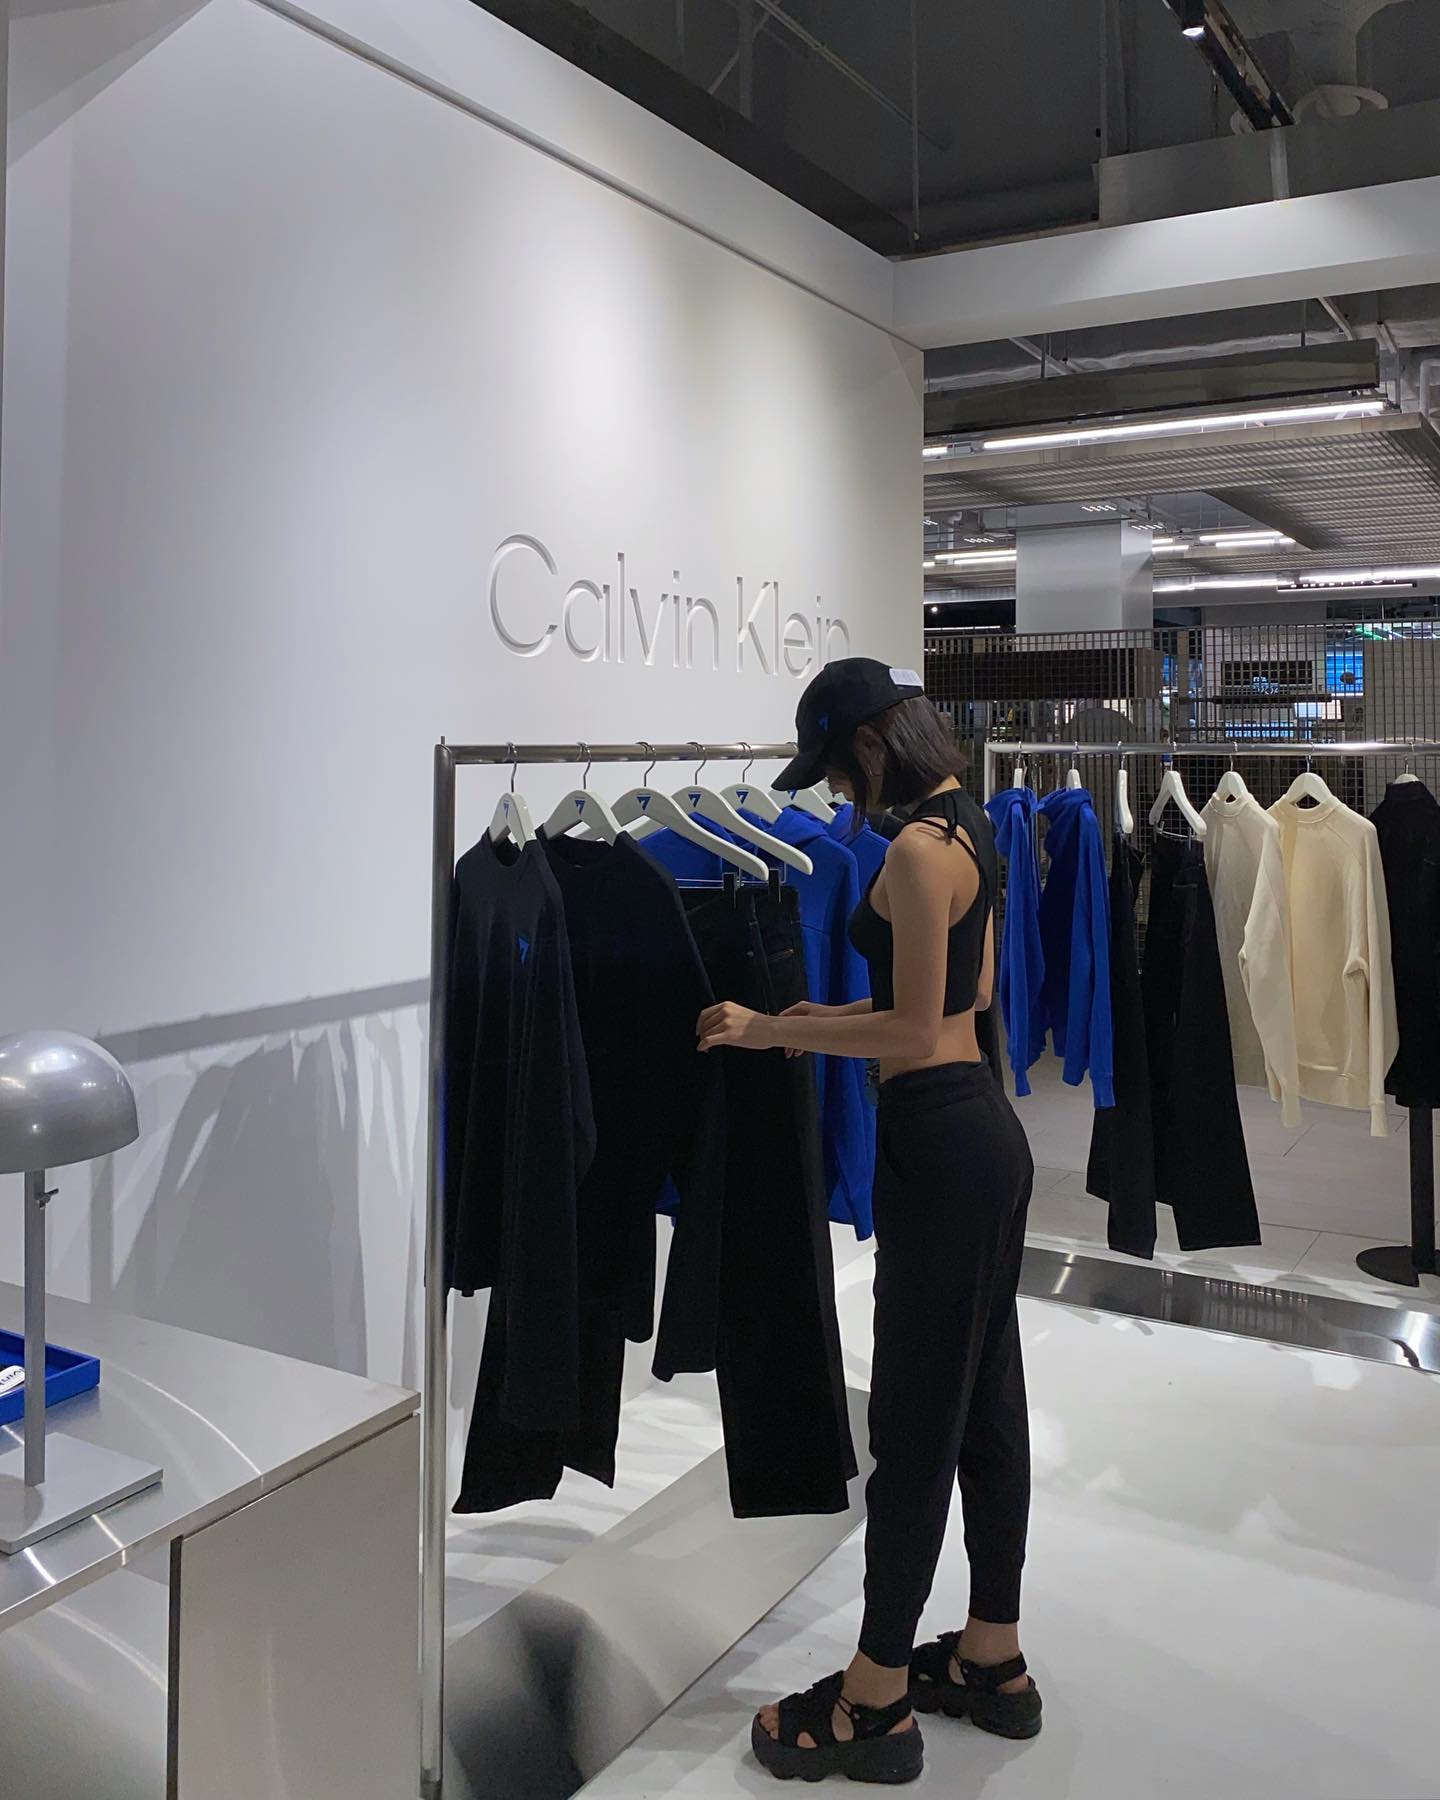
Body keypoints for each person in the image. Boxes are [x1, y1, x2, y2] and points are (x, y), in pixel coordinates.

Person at [697, 659, 1040, 1787]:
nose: (842, 793)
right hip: (981, 1134)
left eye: (840, 771)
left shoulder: (912, 851)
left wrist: (770, 1030)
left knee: (916, 1421)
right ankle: (991, 1656)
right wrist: (825, 1012)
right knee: (985, 1404)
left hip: (937, 1145)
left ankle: (875, 1696)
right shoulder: (970, 829)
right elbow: (960, 1002)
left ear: (871, 745)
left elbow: (910, 1034)